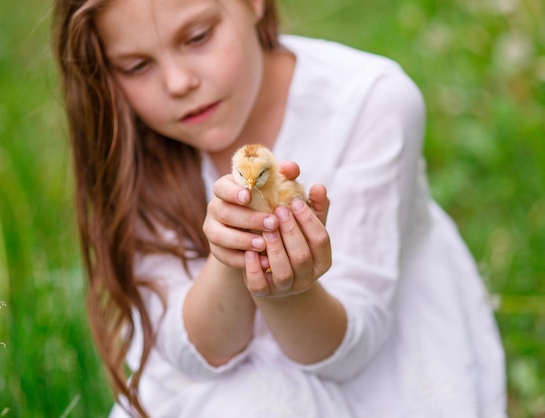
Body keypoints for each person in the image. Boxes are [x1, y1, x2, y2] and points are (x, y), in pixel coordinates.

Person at [52, 0, 507, 416]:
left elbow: (353, 351)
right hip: (213, 380)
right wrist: (230, 262)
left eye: (197, 38)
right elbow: (195, 353)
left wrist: (288, 291)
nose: (178, 83)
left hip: (375, 373)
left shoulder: (372, 103)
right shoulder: (134, 143)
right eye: (136, 66)